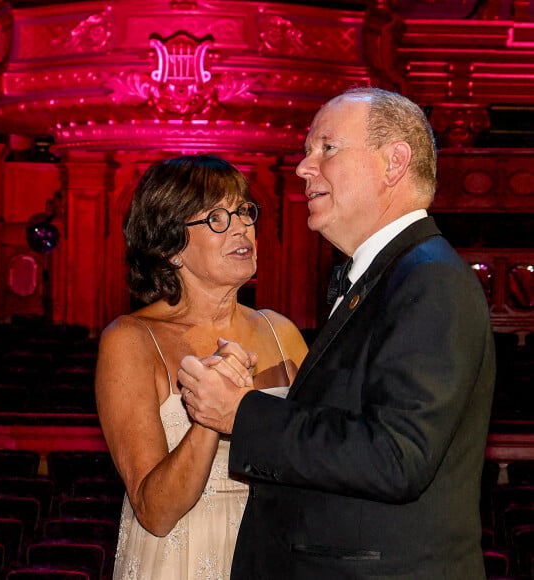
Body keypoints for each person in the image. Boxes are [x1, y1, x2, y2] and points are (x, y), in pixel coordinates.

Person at [178, 88, 496, 579]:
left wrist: (242, 412)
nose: (305, 168)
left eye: (326, 148)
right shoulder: (391, 276)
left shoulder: (429, 280)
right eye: (308, 152)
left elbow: (397, 457)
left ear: (394, 163)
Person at [94, 153, 308, 580]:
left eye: (245, 211)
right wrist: (211, 413)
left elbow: (317, 456)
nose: (243, 226)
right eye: (216, 218)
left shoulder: (279, 331)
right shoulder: (131, 340)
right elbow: (155, 511)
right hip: (183, 556)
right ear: (170, 247)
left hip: (274, 551)